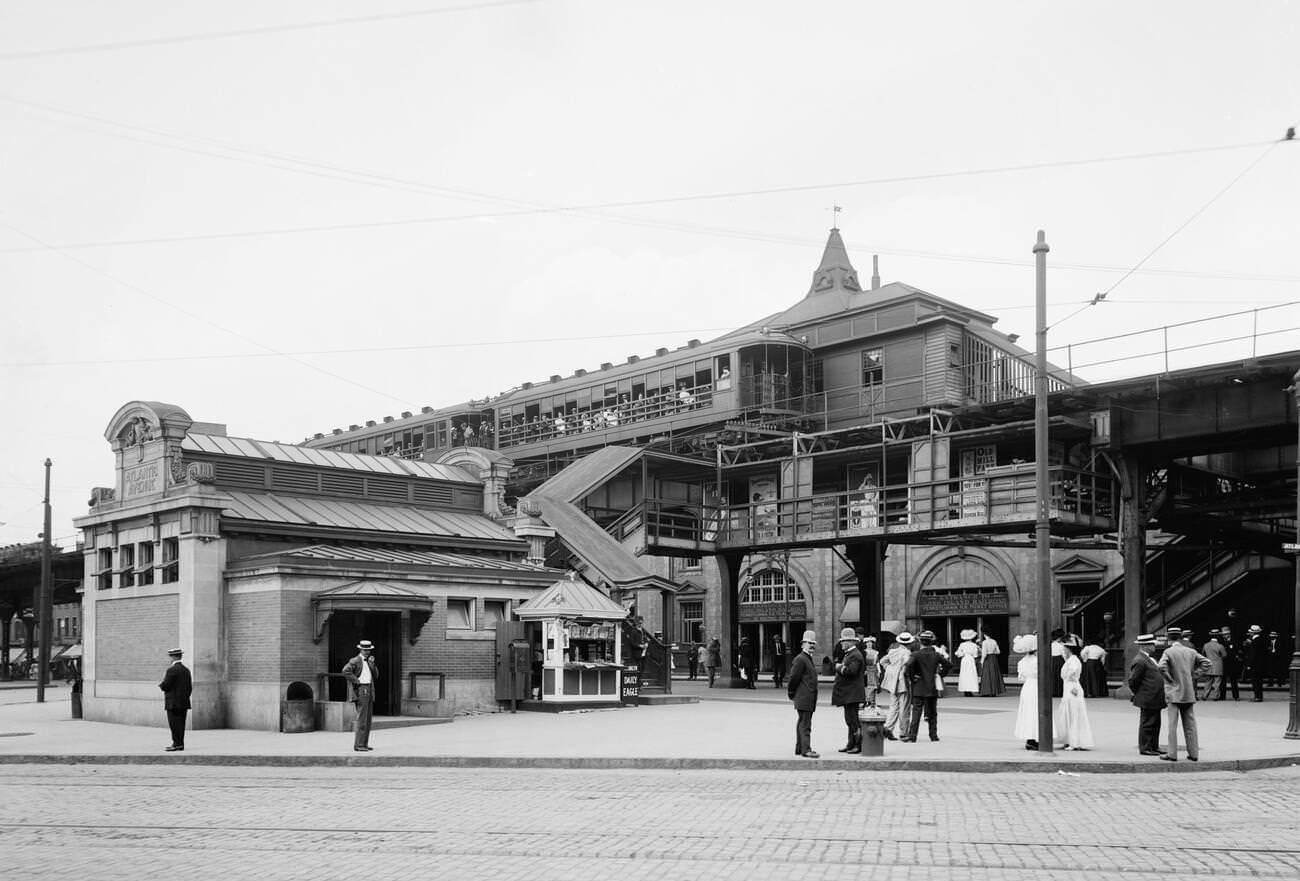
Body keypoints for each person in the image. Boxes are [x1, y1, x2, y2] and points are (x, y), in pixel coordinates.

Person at [1158, 627, 1212, 762]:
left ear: (1168, 638)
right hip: (1188, 692)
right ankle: (1193, 753)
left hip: (1174, 693)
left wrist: (1169, 679)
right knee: (1190, 725)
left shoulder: (1168, 652)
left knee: (1172, 725)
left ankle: (1172, 753)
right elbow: (1207, 662)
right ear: (1180, 637)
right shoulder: (1190, 651)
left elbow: (1161, 666)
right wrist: (1195, 675)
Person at [901, 630, 951, 743]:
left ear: (920, 642)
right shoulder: (936, 655)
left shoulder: (916, 654)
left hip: (919, 686)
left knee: (916, 713)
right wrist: (940, 674)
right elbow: (948, 665)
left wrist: (913, 677)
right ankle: (933, 735)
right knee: (932, 712)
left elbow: (907, 667)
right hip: (932, 686)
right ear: (931, 642)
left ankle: (912, 736)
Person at [1128, 633, 1167, 757]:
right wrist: (1139, 693)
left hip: (1154, 697)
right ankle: (1145, 747)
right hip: (1147, 697)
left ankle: (1154, 746)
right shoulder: (1140, 660)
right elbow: (1133, 680)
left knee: (1155, 723)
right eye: (1152, 644)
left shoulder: (1147, 658)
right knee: (1148, 724)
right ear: (1145, 646)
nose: (1154, 646)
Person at [831, 628, 867, 754]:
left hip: (852, 693)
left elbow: (851, 671)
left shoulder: (855, 655)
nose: (841, 643)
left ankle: (858, 745)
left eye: (843, 641)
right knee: (849, 720)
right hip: (850, 693)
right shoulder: (850, 654)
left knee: (853, 721)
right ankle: (851, 744)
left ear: (850, 642)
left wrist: (839, 667)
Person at [1054, 639, 1093, 750]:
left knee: (1073, 713)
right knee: (1068, 713)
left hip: (1072, 687)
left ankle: (1074, 741)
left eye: (1065, 648)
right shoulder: (1071, 659)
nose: (1063, 651)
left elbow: (1073, 672)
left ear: (1069, 649)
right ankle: (1068, 739)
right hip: (1069, 686)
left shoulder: (1073, 660)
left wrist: (1069, 677)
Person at [787, 630, 820, 758]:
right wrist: (791, 692)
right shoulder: (801, 659)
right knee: (805, 724)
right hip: (804, 696)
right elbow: (793, 678)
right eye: (809, 643)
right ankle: (806, 749)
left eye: (813, 643)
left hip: (806, 696)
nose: (812, 646)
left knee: (802, 722)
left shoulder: (807, 658)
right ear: (802, 644)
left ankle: (800, 748)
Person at [342, 639, 378, 752]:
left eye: (368, 650)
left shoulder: (369, 661)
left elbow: (376, 675)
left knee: (367, 719)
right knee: (362, 718)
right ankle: (359, 745)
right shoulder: (355, 660)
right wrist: (357, 681)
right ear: (360, 650)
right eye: (365, 650)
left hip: (369, 688)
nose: (367, 652)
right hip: (362, 688)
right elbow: (345, 671)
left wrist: (372, 664)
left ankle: (364, 744)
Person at [879, 631, 915, 741]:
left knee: (893, 707)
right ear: (909, 643)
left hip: (892, 683)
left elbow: (882, 661)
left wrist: (889, 669)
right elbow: (907, 666)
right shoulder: (907, 653)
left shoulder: (893, 651)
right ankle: (903, 732)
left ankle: (888, 729)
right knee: (904, 708)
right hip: (903, 682)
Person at [158, 646, 192, 752]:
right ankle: (180, 744)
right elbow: (189, 687)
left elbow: (166, 685)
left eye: (170, 657)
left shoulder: (171, 670)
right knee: (181, 724)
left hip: (173, 703)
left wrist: (161, 685)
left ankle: (176, 744)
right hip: (183, 702)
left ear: (173, 657)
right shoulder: (186, 670)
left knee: (174, 724)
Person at [1012, 634, 1041, 750]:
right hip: (1036, 685)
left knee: (1027, 711)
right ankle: (1036, 737)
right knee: (1036, 710)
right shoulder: (1037, 661)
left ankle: (1030, 738)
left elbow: (1021, 678)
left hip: (1027, 686)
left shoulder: (1021, 662)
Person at [1200, 629, 1227, 700]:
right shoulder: (1220, 646)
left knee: (1208, 682)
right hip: (1218, 665)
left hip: (1209, 665)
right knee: (1217, 683)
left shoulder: (1206, 645)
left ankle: (1205, 695)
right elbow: (1224, 655)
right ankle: (1216, 696)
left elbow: (1203, 654)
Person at [1244, 624, 1268, 701]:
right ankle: (1258, 696)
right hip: (1260, 664)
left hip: (1255, 665)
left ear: (1253, 633)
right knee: (1258, 681)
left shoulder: (1255, 641)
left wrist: (1249, 664)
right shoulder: (1261, 640)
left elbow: (1253, 655)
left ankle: (1257, 696)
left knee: (1255, 681)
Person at [978, 632, 1005, 696]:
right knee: (994, 674)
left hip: (987, 658)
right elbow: (998, 651)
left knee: (987, 675)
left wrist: (982, 661)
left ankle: (986, 692)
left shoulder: (985, 642)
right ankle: (994, 692)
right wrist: (992, 652)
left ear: (985, 634)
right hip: (993, 658)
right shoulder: (994, 641)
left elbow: (984, 654)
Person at [1219, 626, 1242, 701]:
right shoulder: (1220, 642)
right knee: (1223, 681)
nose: (1224, 635)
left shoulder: (1235, 641)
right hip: (1223, 663)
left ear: (1229, 634)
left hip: (1232, 663)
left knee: (1233, 681)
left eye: (1225, 634)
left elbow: (1238, 651)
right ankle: (1222, 696)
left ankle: (1236, 696)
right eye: (1223, 634)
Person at [955, 629, 980, 696]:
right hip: (971, 659)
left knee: (964, 674)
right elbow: (975, 655)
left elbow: (958, 653)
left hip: (964, 659)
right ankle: (970, 690)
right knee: (971, 674)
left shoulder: (962, 644)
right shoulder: (974, 645)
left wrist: (962, 654)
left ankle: (965, 690)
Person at [862, 636, 881, 710]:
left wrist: (879, 671)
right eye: (868, 643)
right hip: (866, 670)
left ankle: (873, 702)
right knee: (866, 687)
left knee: (874, 686)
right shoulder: (864, 652)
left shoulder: (876, 652)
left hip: (873, 670)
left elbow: (877, 662)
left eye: (871, 643)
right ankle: (867, 701)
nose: (869, 644)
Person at [1049, 628, 1067, 698]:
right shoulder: (1061, 646)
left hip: (1051, 660)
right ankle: (1059, 691)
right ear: (1059, 638)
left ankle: (1052, 691)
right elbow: (1064, 655)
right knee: (1059, 677)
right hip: (1059, 661)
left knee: (1052, 676)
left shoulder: (1050, 645)